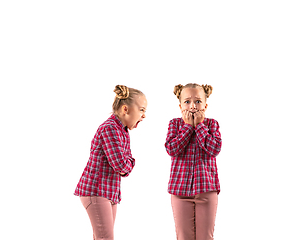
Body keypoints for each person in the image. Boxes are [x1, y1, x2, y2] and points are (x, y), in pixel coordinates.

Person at [74, 85, 147, 240]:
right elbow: (121, 165)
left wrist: (128, 163)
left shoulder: (122, 130)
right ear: (125, 109)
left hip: (108, 192)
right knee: (105, 237)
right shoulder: (110, 129)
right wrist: (130, 163)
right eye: (141, 110)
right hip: (96, 190)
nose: (144, 115)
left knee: (102, 237)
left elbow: (125, 163)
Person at [165, 83, 222, 240]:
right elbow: (172, 149)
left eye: (197, 101)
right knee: (184, 236)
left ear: (205, 105)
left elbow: (214, 149)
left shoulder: (212, 124)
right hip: (179, 191)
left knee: (206, 237)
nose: (192, 106)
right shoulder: (175, 124)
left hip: (207, 190)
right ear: (180, 105)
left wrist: (200, 127)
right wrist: (188, 127)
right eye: (187, 101)